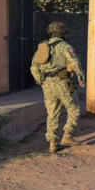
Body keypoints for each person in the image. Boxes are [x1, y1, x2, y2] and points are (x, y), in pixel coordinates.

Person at [31, 22, 85, 153]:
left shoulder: (42, 47)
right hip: (62, 82)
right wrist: (81, 77)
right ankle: (67, 137)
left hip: (47, 84)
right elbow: (75, 62)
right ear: (63, 33)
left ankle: (52, 144)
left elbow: (34, 67)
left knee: (52, 113)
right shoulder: (64, 46)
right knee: (74, 109)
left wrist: (41, 82)